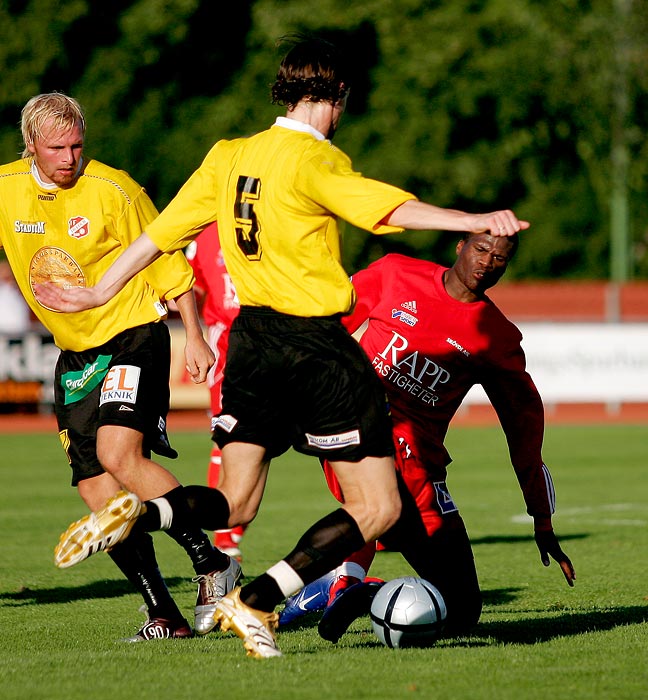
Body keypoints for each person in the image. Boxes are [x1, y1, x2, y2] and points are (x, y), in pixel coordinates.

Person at [35, 37, 530, 658]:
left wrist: (96, 291)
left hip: (251, 343)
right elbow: (387, 210)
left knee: (233, 501)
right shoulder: (315, 161)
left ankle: (143, 513)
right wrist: (475, 220)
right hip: (315, 347)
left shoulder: (228, 155)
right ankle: (259, 599)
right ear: (337, 97)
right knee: (376, 507)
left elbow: (161, 234)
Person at [0, 92, 242, 641]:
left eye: (77, 145)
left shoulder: (114, 188)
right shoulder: (6, 188)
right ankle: (164, 612)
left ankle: (212, 564)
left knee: (118, 452)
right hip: (75, 353)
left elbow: (168, 259)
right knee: (95, 490)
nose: (69, 157)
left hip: (134, 334)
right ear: (30, 146)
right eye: (56, 147)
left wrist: (196, 337)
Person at [280, 232, 576, 640]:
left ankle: (352, 587)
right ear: (460, 246)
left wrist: (541, 519)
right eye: (481, 250)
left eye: (500, 259)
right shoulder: (395, 273)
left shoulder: (496, 337)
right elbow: (324, 327)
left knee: (463, 611)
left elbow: (524, 428)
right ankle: (334, 585)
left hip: (422, 469)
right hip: (366, 434)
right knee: (374, 492)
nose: (487, 263)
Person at [184, 222, 246, 560]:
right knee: (227, 433)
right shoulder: (206, 236)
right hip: (228, 340)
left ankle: (372, 515)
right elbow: (183, 286)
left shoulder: (205, 235)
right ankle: (225, 535)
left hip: (271, 335)